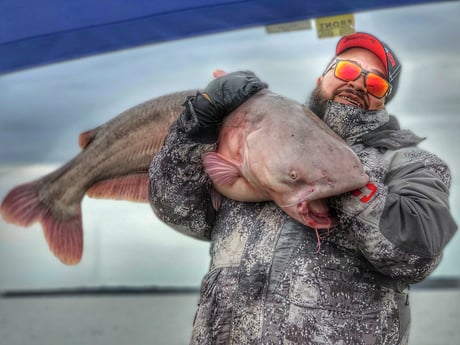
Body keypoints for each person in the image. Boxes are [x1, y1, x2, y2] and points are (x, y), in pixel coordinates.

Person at [148, 32, 457, 344]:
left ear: (383, 101)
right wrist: (196, 123)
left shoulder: (412, 163)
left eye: (376, 84)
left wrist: (331, 176)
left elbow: (415, 253)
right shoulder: (256, 145)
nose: (359, 84)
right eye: (346, 70)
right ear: (321, 77)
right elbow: (179, 210)